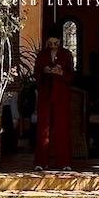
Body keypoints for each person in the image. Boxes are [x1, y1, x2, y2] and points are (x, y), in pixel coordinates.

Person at [34, 34, 75, 169]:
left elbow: (71, 75)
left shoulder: (66, 54)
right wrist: (45, 71)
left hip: (61, 95)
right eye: (50, 42)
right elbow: (36, 74)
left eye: (56, 42)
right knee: (43, 129)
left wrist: (61, 73)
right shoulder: (42, 55)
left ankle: (64, 163)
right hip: (45, 95)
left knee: (62, 128)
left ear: (60, 41)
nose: (53, 45)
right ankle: (41, 162)